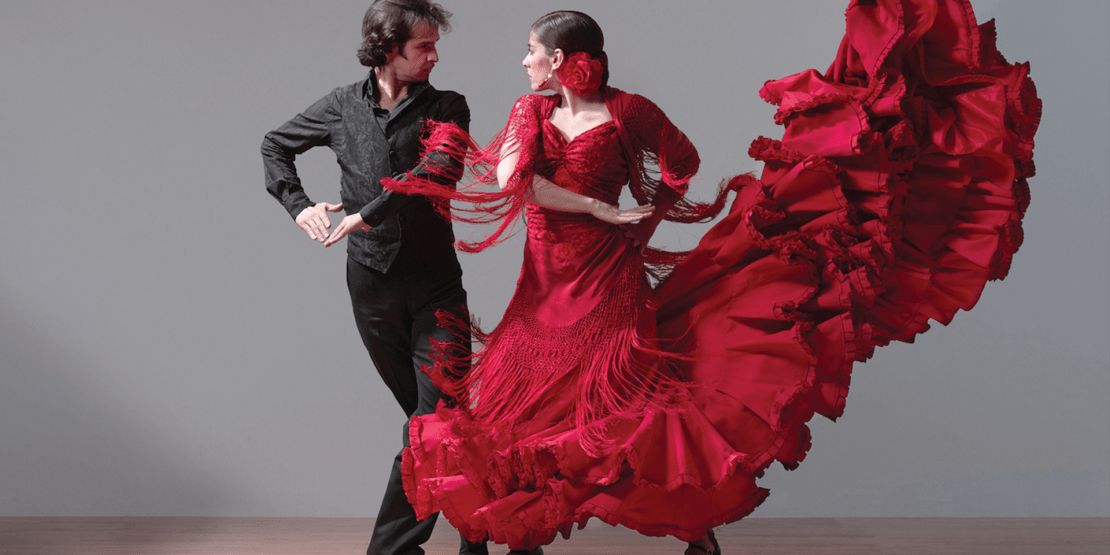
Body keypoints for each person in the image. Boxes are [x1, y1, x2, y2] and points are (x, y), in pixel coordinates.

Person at [385, 2, 1040, 554]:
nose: (524, 61)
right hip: (544, 293)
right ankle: (505, 532)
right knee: (512, 413)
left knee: (625, 411)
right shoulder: (530, 112)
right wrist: (602, 208)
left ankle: (693, 529)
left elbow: (683, 162)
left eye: (530, 51)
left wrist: (641, 219)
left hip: (609, 289)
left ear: (559, 59)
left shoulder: (629, 111)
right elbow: (516, 182)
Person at [260, 2, 492, 555]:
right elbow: (275, 145)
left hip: (437, 286)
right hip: (370, 289)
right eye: (423, 47)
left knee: (434, 421)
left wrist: (366, 211)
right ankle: (479, 534)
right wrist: (297, 206)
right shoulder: (341, 106)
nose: (435, 56)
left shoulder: (449, 106)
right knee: (440, 426)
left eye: (436, 45)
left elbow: (438, 170)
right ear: (389, 48)